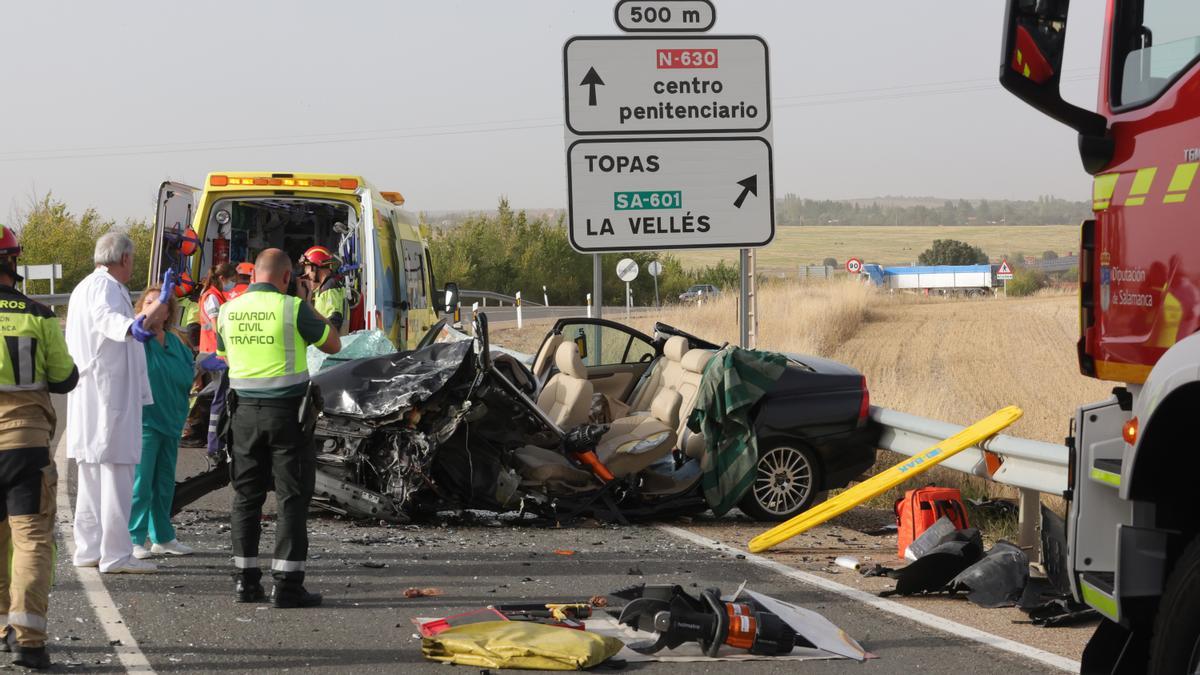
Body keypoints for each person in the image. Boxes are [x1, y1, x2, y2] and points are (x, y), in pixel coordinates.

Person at [217, 249, 340, 607]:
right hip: (287, 415)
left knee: (246, 497)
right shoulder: (293, 308)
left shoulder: (228, 310)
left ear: (253, 275)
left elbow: (226, 356)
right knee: (291, 498)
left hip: (242, 415)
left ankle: (245, 582)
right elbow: (333, 343)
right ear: (287, 278)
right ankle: (286, 585)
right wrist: (305, 302)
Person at [65, 232, 169, 575]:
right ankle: (115, 555)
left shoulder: (85, 287)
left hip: (95, 397)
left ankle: (90, 549)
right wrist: (133, 325)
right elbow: (107, 319)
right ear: (124, 258)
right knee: (116, 477)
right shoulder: (105, 288)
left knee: (94, 478)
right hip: (109, 399)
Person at [0, 225, 78, 670]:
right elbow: (65, 377)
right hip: (24, 443)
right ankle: (29, 639)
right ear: (14, 262)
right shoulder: (38, 315)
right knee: (30, 540)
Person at [129, 287, 195, 560]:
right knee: (141, 484)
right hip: (145, 421)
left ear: (169, 310)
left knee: (164, 482)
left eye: (161, 302)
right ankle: (133, 538)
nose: (155, 306)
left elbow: (188, 372)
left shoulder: (176, 341)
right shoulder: (136, 339)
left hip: (171, 419)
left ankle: (163, 537)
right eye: (149, 302)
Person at [195, 263, 237, 455]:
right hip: (215, 353)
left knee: (218, 398)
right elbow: (217, 326)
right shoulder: (212, 296)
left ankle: (216, 442)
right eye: (233, 280)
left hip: (210, 351)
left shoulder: (212, 295)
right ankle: (215, 444)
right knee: (220, 399)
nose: (233, 284)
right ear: (222, 278)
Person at [298, 246, 346, 331]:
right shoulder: (322, 288)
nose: (305, 272)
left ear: (316, 267)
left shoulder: (330, 286)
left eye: (307, 267)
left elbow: (334, 323)